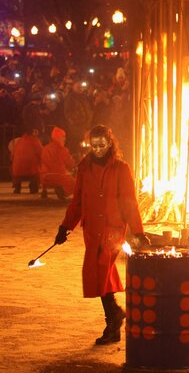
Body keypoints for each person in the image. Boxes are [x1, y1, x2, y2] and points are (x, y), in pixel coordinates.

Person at [54, 124, 148, 345]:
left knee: (99, 271)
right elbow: (77, 201)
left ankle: (113, 317)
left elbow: (129, 202)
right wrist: (65, 227)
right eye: (94, 145)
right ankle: (114, 320)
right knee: (100, 272)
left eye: (102, 145)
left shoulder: (121, 168)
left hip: (112, 230)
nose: (97, 149)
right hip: (92, 230)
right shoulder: (84, 168)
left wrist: (138, 232)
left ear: (110, 143)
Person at [40, 126, 76, 200]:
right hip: (58, 176)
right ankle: (63, 191)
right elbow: (70, 163)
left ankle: (45, 190)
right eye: (63, 137)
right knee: (74, 182)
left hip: (44, 177)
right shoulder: (62, 150)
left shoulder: (46, 148)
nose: (65, 139)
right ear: (59, 138)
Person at [11, 128, 43, 194]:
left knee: (14, 169)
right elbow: (41, 153)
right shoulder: (35, 141)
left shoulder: (19, 141)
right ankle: (33, 187)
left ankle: (17, 186)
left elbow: (12, 155)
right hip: (31, 169)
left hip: (17, 170)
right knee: (37, 173)